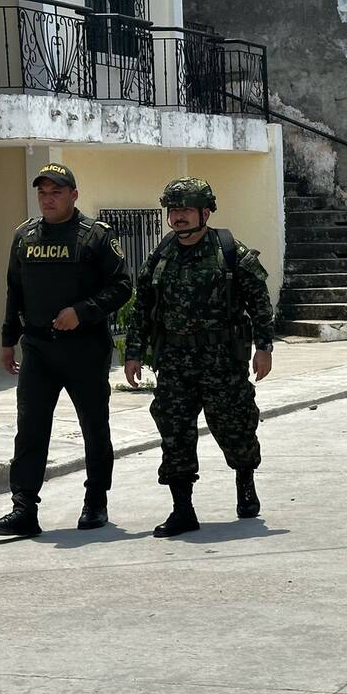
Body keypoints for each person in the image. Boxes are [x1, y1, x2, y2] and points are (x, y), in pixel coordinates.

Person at [0, 163, 132, 537]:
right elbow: (14, 290)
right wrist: (7, 340)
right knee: (30, 429)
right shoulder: (25, 236)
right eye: (43, 193)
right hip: (38, 348)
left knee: (94, 428)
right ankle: (23, 508)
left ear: (74, 195)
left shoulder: (96, 236)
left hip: (84, 349)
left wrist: (81, 313)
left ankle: (95, 501)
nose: (48, 200)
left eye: (56, 193)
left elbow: (121, 287)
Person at [124, 178, 275, 537]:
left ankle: (245, 479)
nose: (177, 217)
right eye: (173, 210)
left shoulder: (229, 251)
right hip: (175, 360)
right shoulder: (161, 256)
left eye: (185, 209)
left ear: (205, 212)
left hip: (222, 360)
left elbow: (259, 302)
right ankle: (182, 509)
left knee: (235, 427)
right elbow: (142, 308)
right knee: (174, 432)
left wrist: (264, 348)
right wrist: (133, 354)